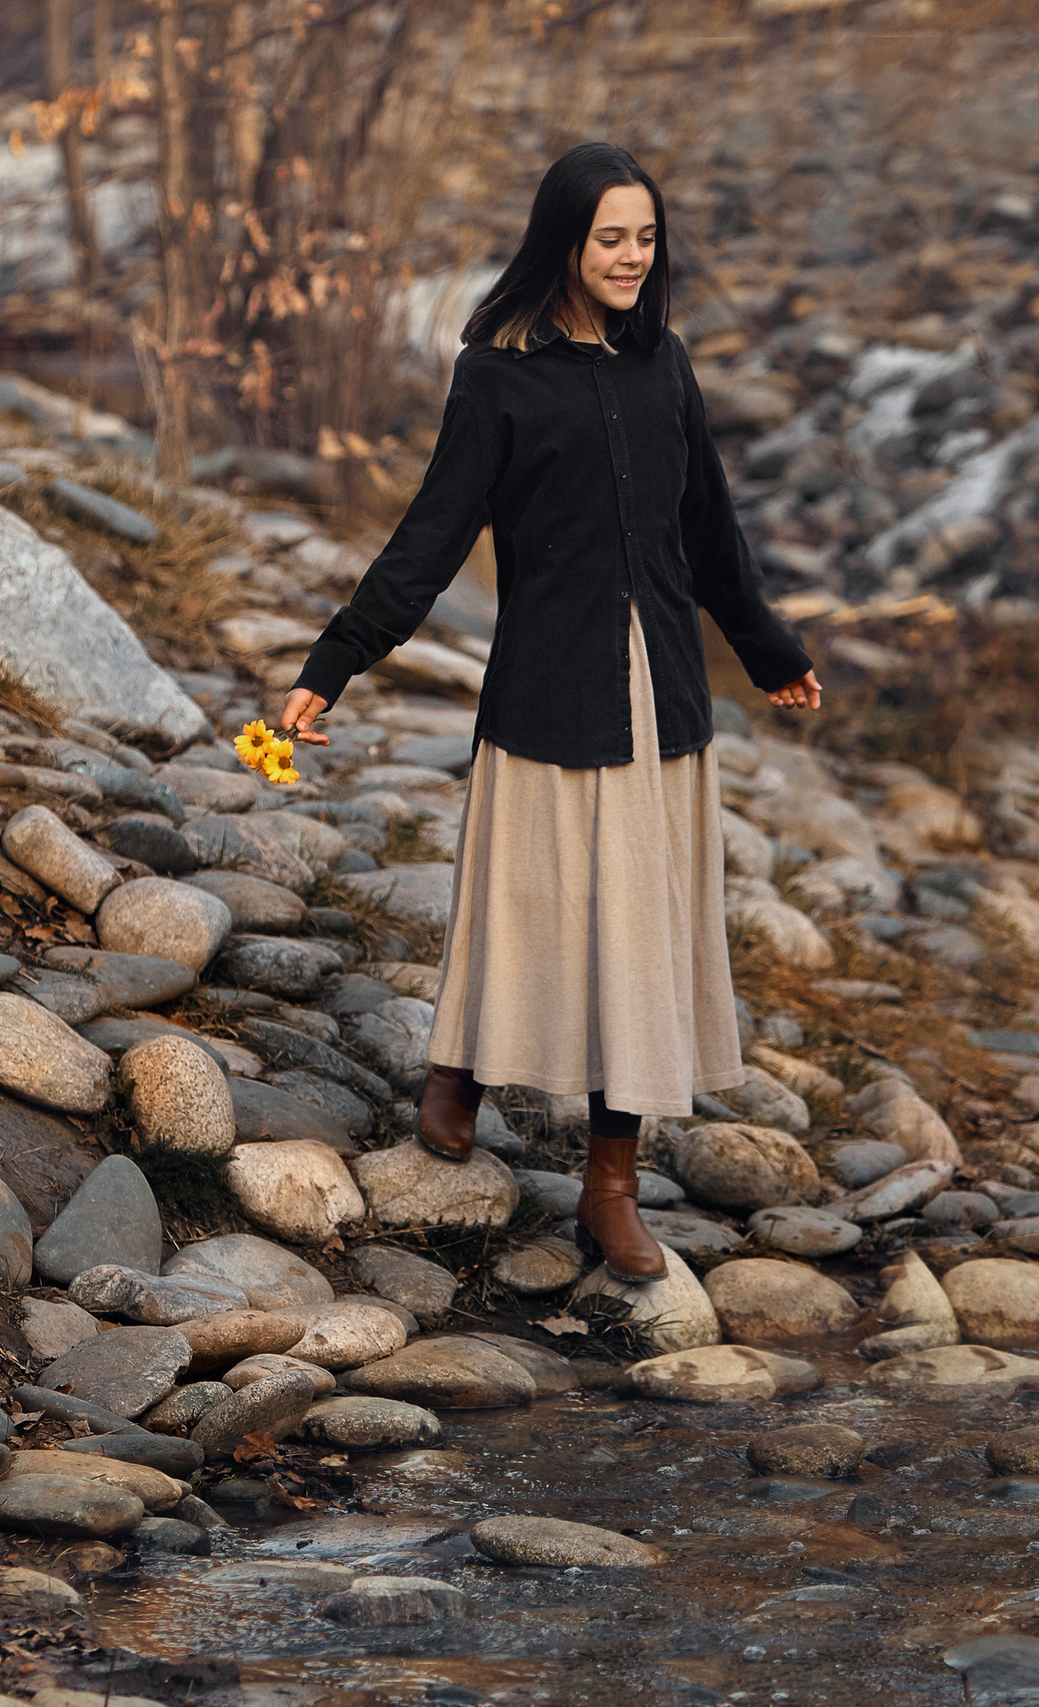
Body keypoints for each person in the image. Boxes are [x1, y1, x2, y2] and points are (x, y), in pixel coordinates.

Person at [280, 141, 822, 1285]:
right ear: (563, 243)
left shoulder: (663, 366)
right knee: (523, 903)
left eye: (644, 236)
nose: (631, 257)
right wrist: (333, 665)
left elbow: (710, 536)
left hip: (659, 692)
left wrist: (771, 652)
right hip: (544, 683)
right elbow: (430, 538)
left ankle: (610, 1186)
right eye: (609, 237)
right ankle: (461, 1067)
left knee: (634, 934)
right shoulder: (496, 374)